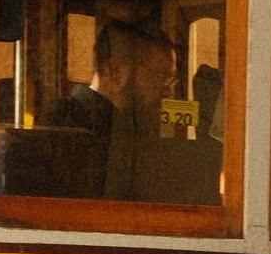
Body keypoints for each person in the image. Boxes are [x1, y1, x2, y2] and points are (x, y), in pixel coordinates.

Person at [51, 16, 182, 202]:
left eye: (170, 80)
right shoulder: (69, 125)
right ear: (115, 72)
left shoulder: (125, 127)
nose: (168, 91)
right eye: (161, 75)